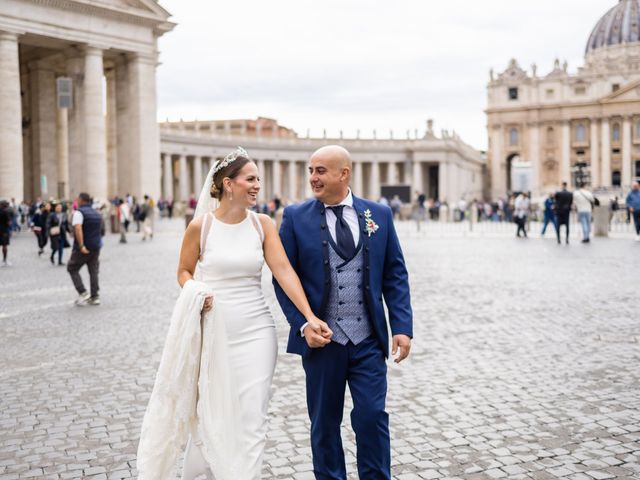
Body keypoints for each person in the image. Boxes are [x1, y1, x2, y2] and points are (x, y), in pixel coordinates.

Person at [136, 147, 332, 480]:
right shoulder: (201, 227)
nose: (257, 185)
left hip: (257, 331)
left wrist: (309, 316)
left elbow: (284, 271)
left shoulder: (263, 224)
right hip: (215, 332)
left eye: (259, 179)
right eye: (251, 179)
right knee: (215, 414)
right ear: (228, 184)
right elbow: (183, 271)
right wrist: (196, 291)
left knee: (253, 417)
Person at [274, 145, 413, 479]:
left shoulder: (378, 214)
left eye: (320, 170)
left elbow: (395, 273)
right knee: (324, 424)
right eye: (310, 170)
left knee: (372, 417)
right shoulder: (294, 218)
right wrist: (302, 325)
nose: (313, 178)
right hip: (322, 343)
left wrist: (402, 326)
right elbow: (283, 280)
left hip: (368, 340)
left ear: (343, 174)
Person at [67, 193, 104, 306]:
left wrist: (81, 245)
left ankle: (83, 292)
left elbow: (78, 228)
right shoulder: (97, 213)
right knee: (93, 271)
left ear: (82, 200)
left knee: (72, 267)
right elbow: (101, 230)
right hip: (96, 247)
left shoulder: (79, 212)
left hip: (84, 247)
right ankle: (95, 296)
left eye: (78, 199)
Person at [0, 200, 13, 266]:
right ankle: (4, 260)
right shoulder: (6, 212)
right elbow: (9, 222)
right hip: (4, 230)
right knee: (4, 246)